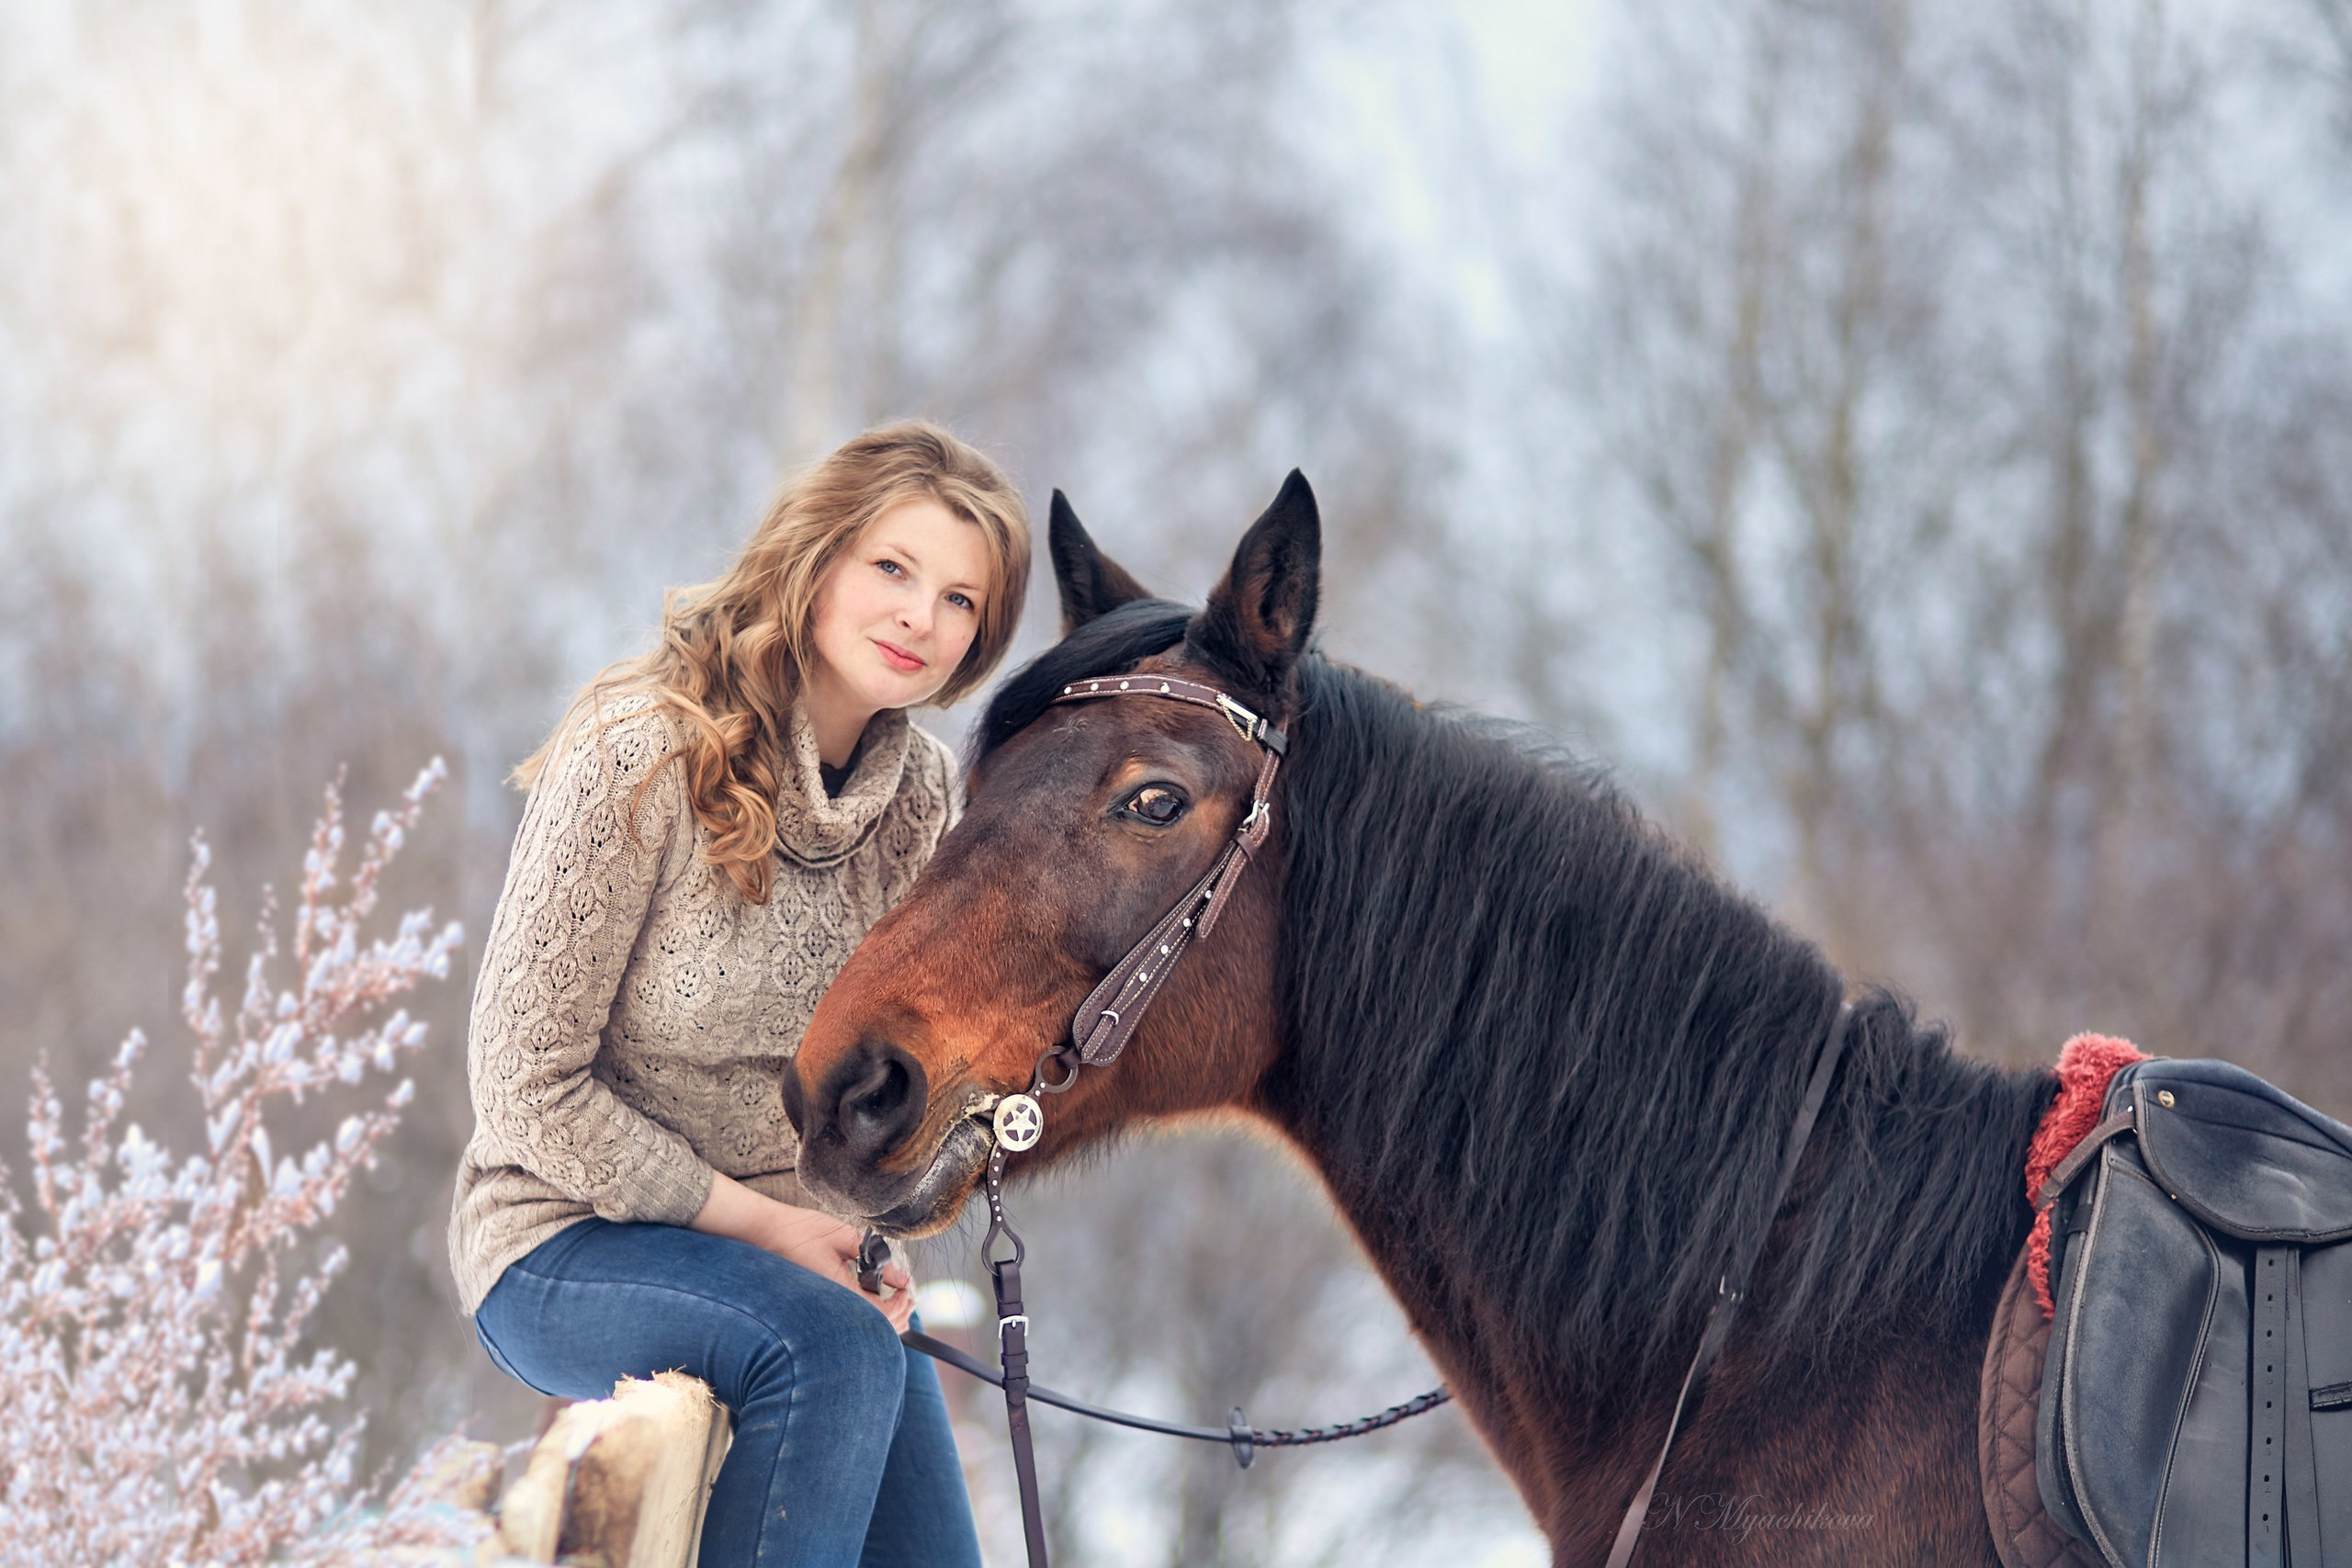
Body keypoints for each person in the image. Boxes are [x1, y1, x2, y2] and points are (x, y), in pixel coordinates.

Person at [447, 422, 1030, 1566]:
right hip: (562, 1243)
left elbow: (882, 1079)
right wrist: (770, 1227)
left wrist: (873, 1230)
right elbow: (524, 1087)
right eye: (894, 570)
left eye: (963, 601)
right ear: (814, 563)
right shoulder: (641, 752)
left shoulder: (915, 799)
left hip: (790, 1273)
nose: (924, 618)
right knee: (830, 1349)